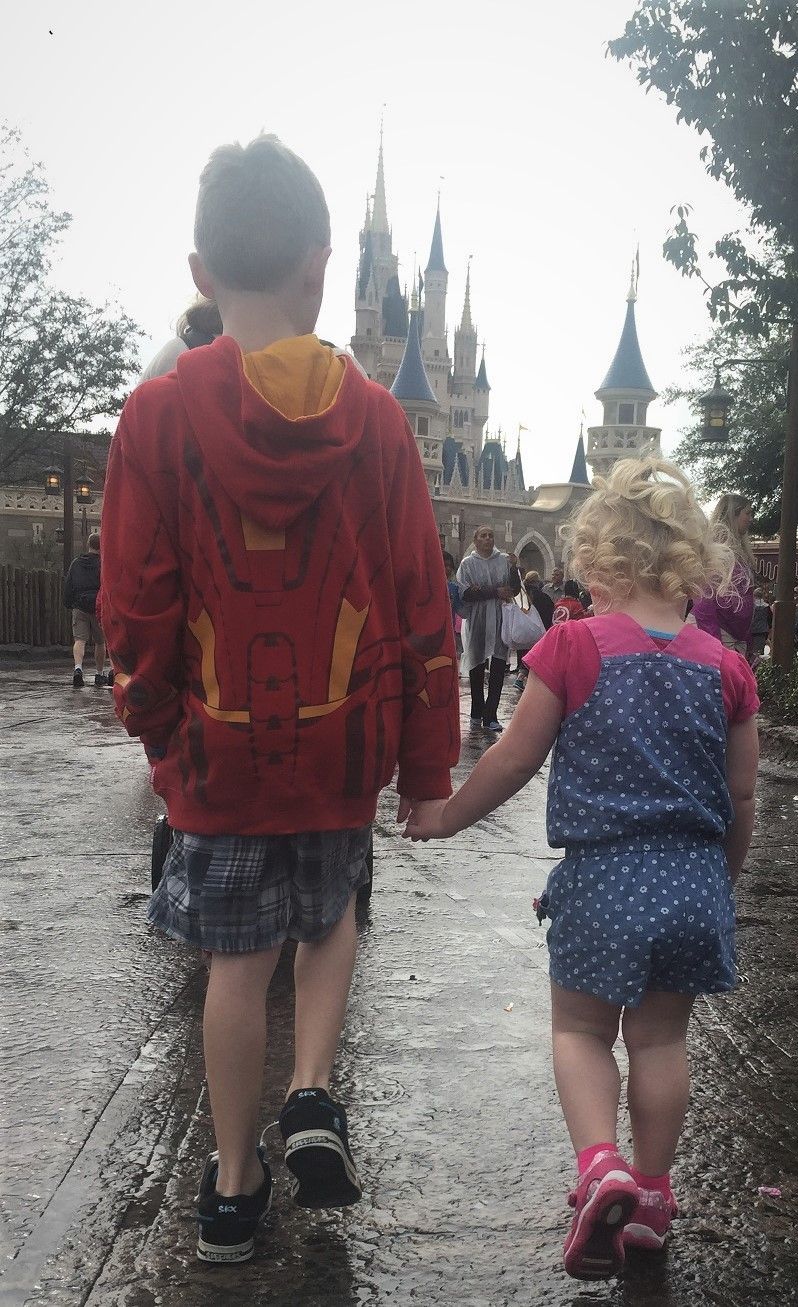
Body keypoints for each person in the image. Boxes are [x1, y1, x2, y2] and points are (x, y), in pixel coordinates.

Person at [100, 134, 459, 1265]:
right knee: (331, 913)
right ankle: (312, 1086)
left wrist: (157, 727)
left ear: (201, 275)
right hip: (341, 745)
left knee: (234, 965)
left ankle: (232, 1183)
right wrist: (427, 764)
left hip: (216, 750)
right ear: (322, 268)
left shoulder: (154, 419)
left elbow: (135, 605)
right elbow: (420, 602)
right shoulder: (385, 425)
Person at [404, 457, 759, 1278]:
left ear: (597, 562)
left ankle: (600, 1166)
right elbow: (742, 797)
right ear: (691, 565)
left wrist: (448, 813)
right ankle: (655, 1197)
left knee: (581, 1030)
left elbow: (513, 759)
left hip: (603, 880)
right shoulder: (727, 667)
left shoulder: (571, 647)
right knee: (662, 1040)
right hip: (693, 877)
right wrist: (722, 881)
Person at [457, 526, 520, 732]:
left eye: (491, 535)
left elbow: (514, 589)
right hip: (478, 619)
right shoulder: (468, 564)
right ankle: (476, 710)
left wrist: (513, 569)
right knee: (477, 664)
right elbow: (465, 593)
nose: (487, 539)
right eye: (483, 536)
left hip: (500, 617)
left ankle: (491, 714)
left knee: (498, 665)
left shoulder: (503, 561)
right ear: (475, 540)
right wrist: (494, 591)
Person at [691, 494, 755, 654]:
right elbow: (704, 597)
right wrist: (713, 642)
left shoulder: (737, 552)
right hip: (719, 634)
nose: (751, 518)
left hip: (734, 636)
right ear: (734, 514)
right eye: (747, 513)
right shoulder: (718, 550)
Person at [63, 532, 110, 687]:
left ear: (88, 545)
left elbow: (69, 584)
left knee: (79, 640)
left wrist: (69, 603)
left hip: (80, 605)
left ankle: (78, 669)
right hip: (98, 606)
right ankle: (99, 673)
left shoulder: (76, 563)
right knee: (100, 641)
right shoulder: (104, 563)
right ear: (102, 545)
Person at [513, 570, 555, 690]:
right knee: (536, 656)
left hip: (523, 631)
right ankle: (528, 681)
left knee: (524, 654)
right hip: (539, 632)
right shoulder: (544, 597)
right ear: (537, 582)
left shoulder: (521, 596)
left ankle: (521, 678)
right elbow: (548, 614)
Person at [443, 549, 465, 657]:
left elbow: (462, 610)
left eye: (449, 566)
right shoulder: (426, 586)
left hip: (448, 632)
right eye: (444, 565)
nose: (447, 569)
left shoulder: (454, 588)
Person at [749, 585, 772, 659]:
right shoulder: (767, 606)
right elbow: (770, 619)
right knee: (759, 653)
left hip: (751, 630)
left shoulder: (751, 605)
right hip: (762, 631)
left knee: (750, 651)